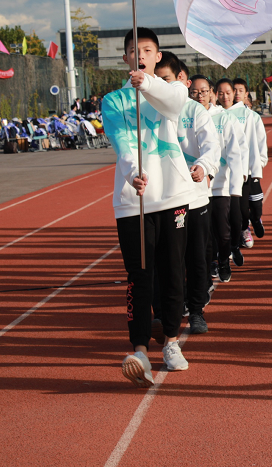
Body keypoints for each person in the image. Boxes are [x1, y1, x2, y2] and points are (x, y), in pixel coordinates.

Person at [102, 27, 194, 386]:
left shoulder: (172, 90)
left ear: (157, 56)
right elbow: (122, 142)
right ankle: (139, 350)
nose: (140, 54)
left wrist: (149, 84)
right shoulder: (113, 101)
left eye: (147, 49)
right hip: (133, 202)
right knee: (140, 276)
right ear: (124, 58)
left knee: (173, 271)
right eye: (133, 50)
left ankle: (171, 341)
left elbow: (172, 105)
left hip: (172, 196)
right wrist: (134, 174)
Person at [154, 55, 220, 335]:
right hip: (166, 200)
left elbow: (211, 147)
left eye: (166, 80)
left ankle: (196, 310)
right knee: (169, 259)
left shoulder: (195, 111)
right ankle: (169, 308)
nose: (161, 86)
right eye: (156, 81)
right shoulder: (150, 111)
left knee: (196, 258)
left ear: (181, 80)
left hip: (194, 199)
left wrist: (203, 166)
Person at [212, 78, 249, 278]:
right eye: (220, 92)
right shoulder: (202, 116)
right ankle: (215, 261)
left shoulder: (229, 119)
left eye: (228, 92)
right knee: (210, 229)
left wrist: (241, 173)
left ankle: (232, 248)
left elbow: (241, 148)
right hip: (203, 185)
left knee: (233, 222)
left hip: (228, 182)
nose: (224, 96)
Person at [230, 78, 269, 247]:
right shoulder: (224, 115)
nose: (237, 93)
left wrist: (259, 161)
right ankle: (244, 229)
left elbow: (260, 140)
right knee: (240, 205)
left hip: (251, 167)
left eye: (240, 90)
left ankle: (256, 218)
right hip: (234, 169)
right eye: (234, 90)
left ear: (246, 94)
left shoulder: (252, 117)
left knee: (255, 203)